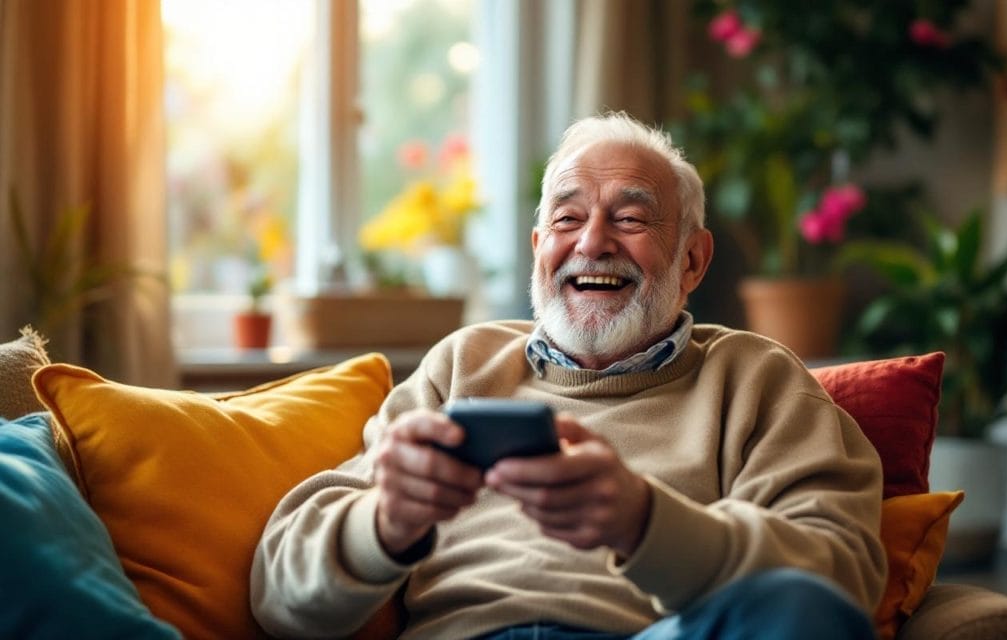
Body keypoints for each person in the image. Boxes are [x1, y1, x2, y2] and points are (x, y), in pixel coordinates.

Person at [250, 112, 887, 640]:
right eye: (567, 218)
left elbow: (837, 582)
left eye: (631, 219)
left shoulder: (756, 378)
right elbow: (278, 595)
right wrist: (386, 522)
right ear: (538, 249)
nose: (592, 244)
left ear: (692, 260)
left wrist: (643, 522)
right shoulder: (463, 363)